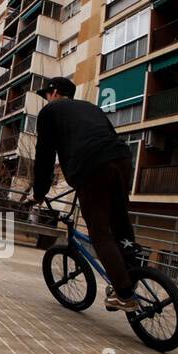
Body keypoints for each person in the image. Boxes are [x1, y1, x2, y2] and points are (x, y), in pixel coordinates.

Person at [27, 77, 141, 312]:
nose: (46, 100)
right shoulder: (92, 108)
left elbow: (44, 155)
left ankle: (124, 294)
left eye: (46, 95)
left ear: (55, 92)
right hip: (121, 159)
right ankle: (133, 274)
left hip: (92, 165)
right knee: (119, 221)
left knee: (100, 232)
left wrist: (39, 193)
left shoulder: (50, 112)